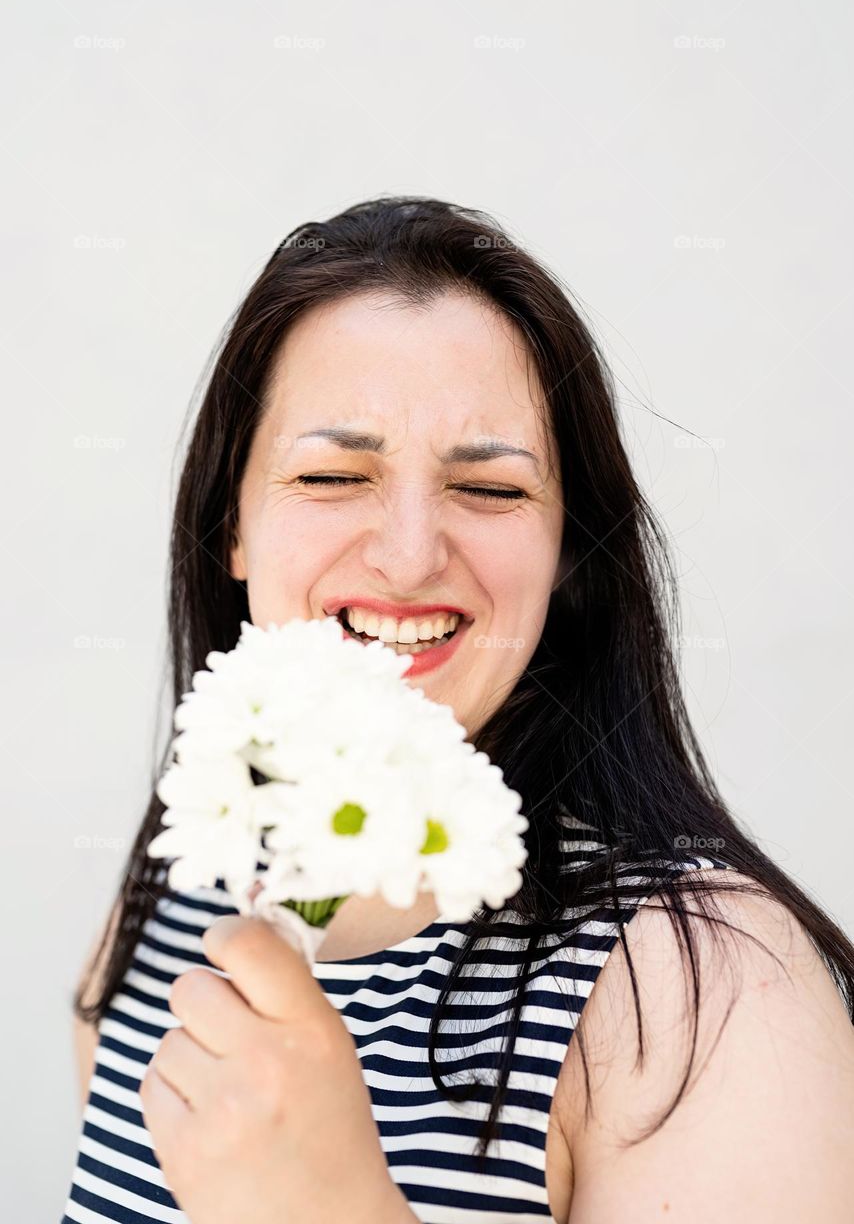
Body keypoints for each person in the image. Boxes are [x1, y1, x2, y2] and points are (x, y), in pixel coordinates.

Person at [63, 196, 854, 1223]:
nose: (406, 553)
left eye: (489, 490)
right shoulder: (159, 916)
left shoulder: (706, 994)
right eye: (332, 473)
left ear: (570, 553)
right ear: (234, 529)